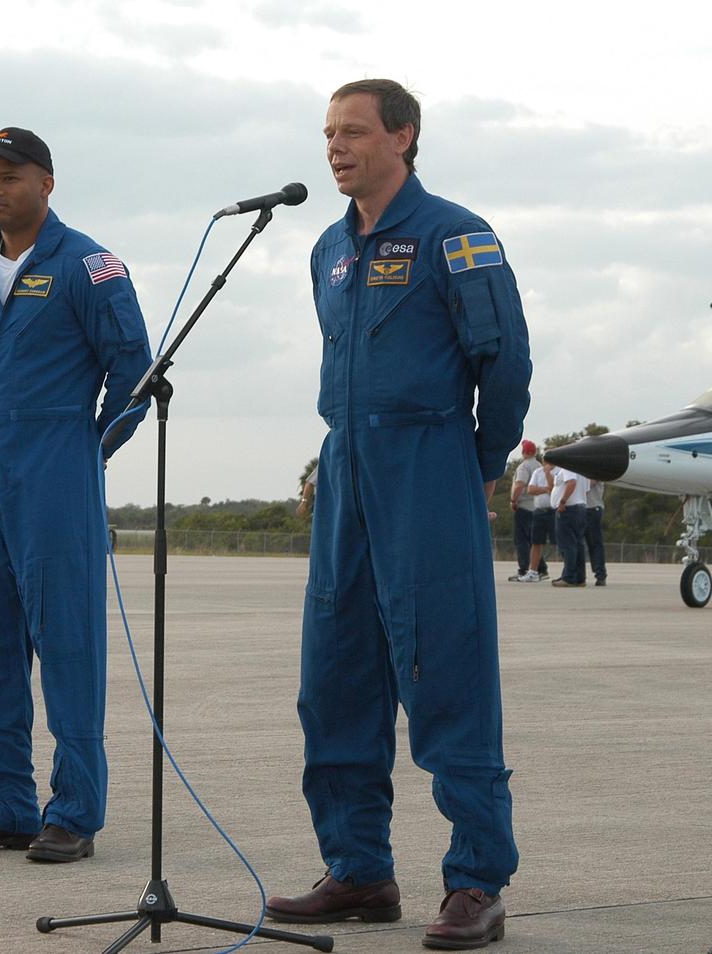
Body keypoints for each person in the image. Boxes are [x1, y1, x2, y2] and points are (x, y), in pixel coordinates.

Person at [266, 80, 529, 950]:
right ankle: (359, 869)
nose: (335, 147)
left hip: (428, 460)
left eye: (353, 132)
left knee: (445, 672)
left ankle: (476, 881)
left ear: (404, 136)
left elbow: (507, 365)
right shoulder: (327, 252)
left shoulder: (456, 235)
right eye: (328, 133)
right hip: (346, 464)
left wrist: (471, 469)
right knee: (335, 673)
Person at [0, 128, 152, 863]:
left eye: (11, 176)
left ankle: (75, 812)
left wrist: (88, 449)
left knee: (68, 646)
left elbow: (134, 375)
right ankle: (2, 805)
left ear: (47, 183)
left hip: (56, 467)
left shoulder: (88, 266)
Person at [508, 439, 547, 581]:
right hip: (536, 506)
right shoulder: (540, 466)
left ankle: (524, 568)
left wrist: (513, 500)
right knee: (534, 540)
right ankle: (540, 568)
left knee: (522, 540)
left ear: (524, 452)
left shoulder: (524, 467)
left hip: (524, 507)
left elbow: (519, 485)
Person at [551, 465, 588, 588]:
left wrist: (562, 501)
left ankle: (569, 577)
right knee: (578, 544)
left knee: (568, 544)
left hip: (569, 508)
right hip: (581, 506)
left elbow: (571, 482)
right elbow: (586, 488)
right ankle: (579, 577)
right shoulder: (583, 469)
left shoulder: (568, 466)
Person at [527, 458, 555, 581]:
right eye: (545, 460)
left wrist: (548, 475)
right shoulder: (537, 472)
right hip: (539, 511)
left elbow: (554, 489)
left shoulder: (560, 471)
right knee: (536, 542)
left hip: (554, 511)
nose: (546, 463)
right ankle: (533, 571)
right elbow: (531, 489)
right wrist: (545, 489)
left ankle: (569, 571)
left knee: (560, 541)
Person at [585, 479, 608, 585]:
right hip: (580, 508)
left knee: (595, 543)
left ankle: (600, 574)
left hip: (592, 508)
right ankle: (577, 574)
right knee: (578, 543)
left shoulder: (594, 469)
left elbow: (588, 484)